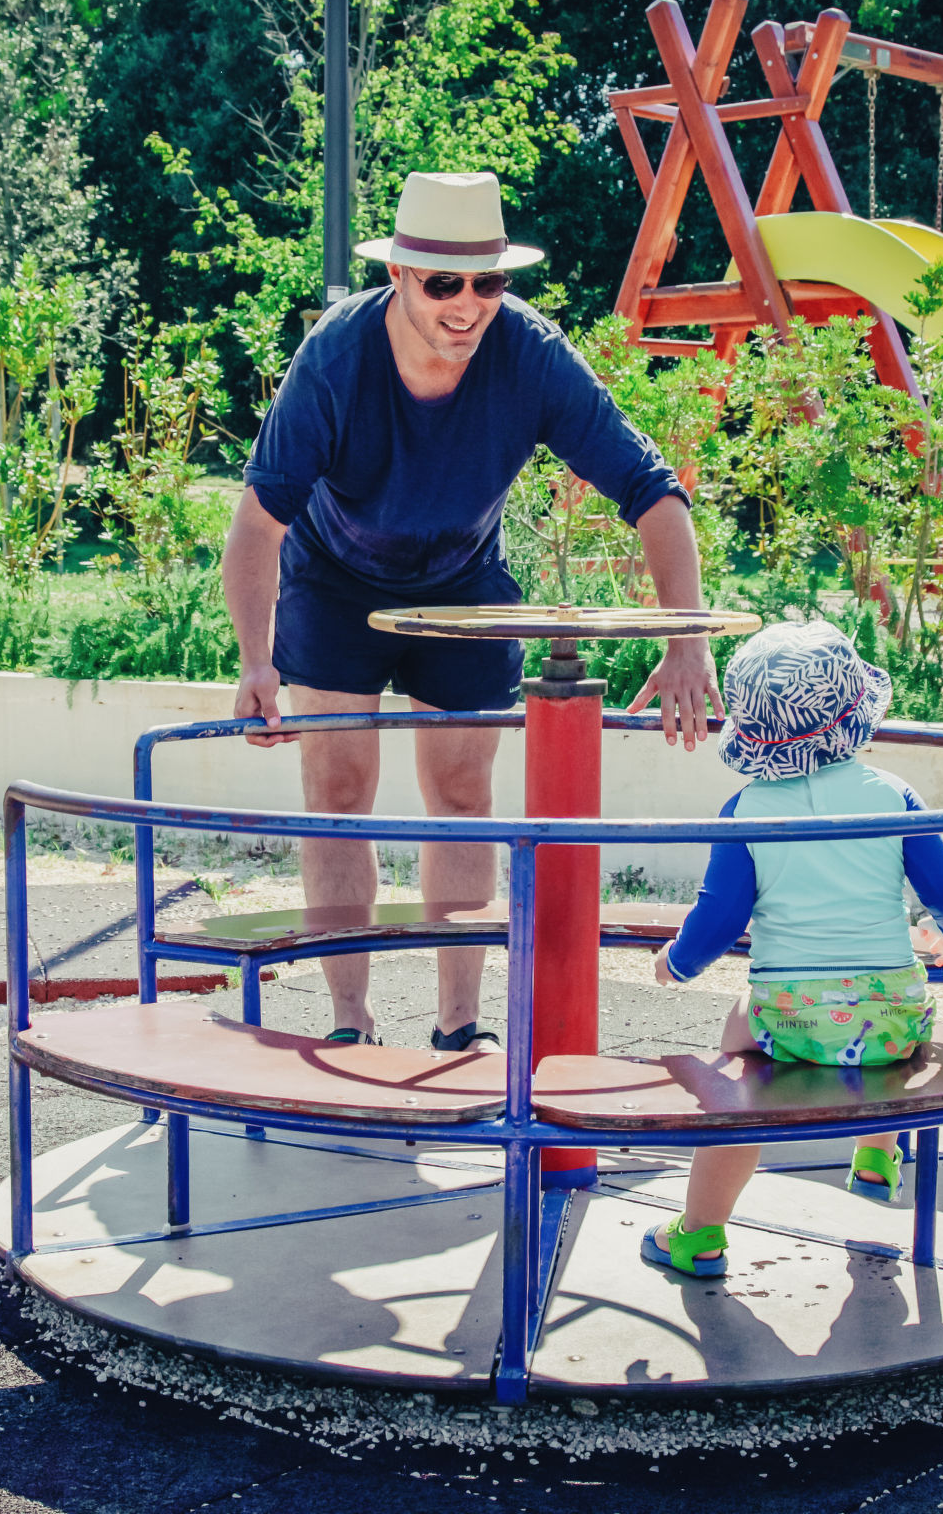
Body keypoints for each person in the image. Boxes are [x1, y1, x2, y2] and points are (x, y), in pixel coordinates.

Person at [223, 170, 721, 1052]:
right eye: (443, 284)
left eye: (487, 282)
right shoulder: (336, 359)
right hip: (336, 582)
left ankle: (459, 1023)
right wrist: (255, 662)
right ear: (399, 277)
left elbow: (653, 490)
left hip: (460, 580)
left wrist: (687, 644)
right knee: (337, 792)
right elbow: (259, 523)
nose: (466, 304)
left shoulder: (527, 352)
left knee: (461, 792)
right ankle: (350, 1020)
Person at [640, 620, 943, 1278]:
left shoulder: (745, 810)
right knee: (880, 1034)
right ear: (855, 717)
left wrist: (675, 962)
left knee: (735, 1069)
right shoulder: (891, 795)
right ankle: (878, 1156)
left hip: (792, 1022)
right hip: (893, 1019)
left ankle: (700, 1233)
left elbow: (719, 916)